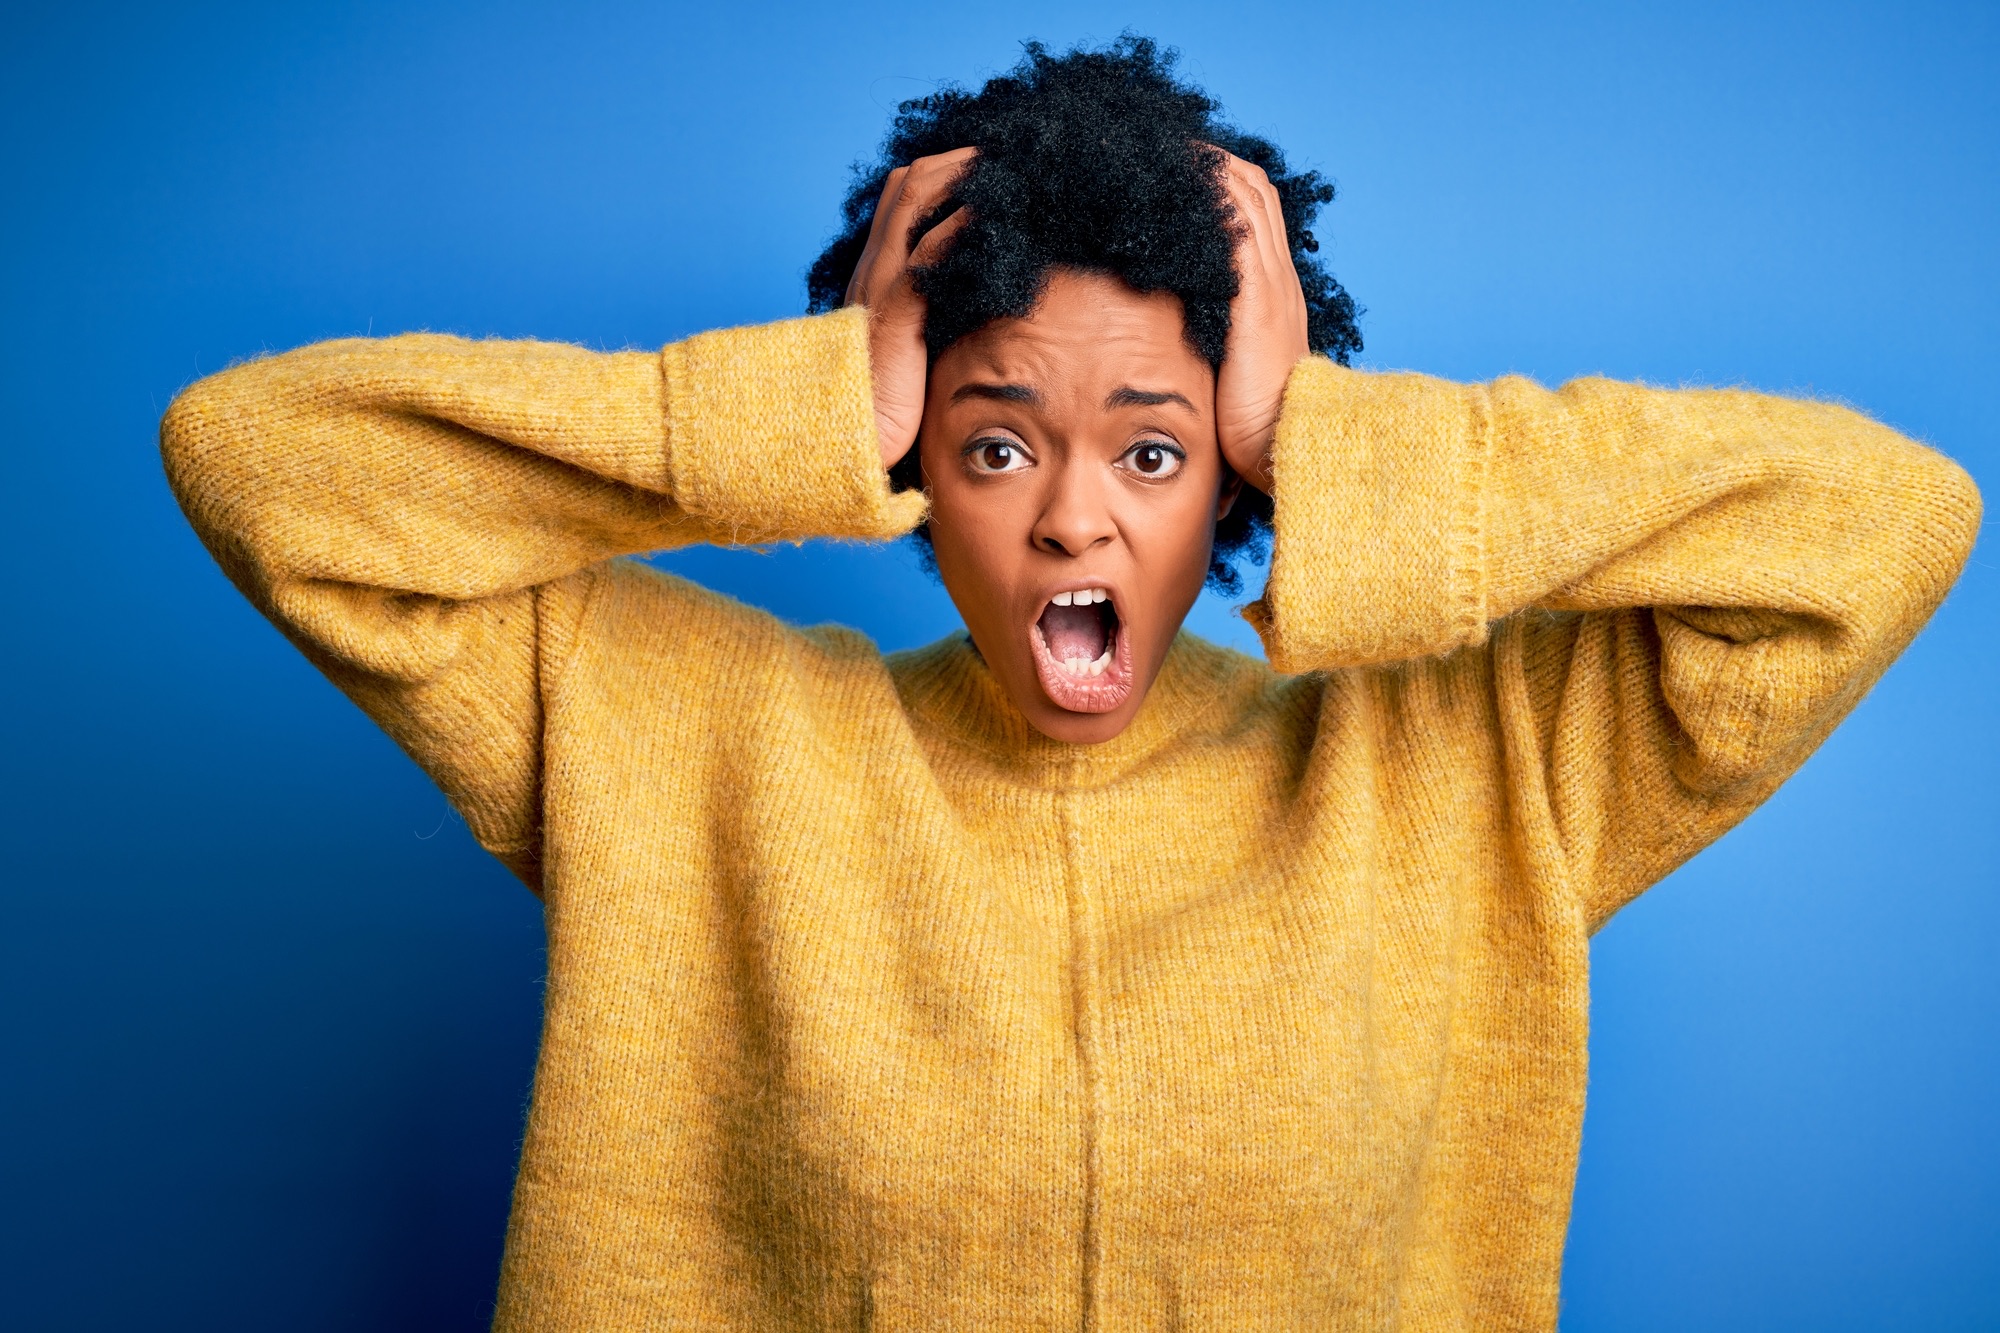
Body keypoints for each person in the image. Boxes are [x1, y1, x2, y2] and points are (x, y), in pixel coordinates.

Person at [159, 36, 1979, 1333]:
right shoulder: (687, 742)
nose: (1076, 521)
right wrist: (807, 407)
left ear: (1243, 492)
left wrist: (1322, 437)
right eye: (999, 444)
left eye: (1160, 454)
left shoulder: (1464, 770)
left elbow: (1883, 524)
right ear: (909, 479)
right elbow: (262, 463)